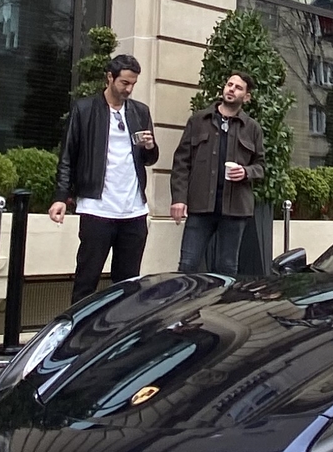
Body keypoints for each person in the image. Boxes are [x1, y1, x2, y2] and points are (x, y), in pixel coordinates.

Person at [48, 53, 157, 302]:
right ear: (110, 77)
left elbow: (150, 160)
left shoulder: (140, 112)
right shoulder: (85, 109)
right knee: (87, 279)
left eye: (133, 84)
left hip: (133, 210)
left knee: (128, 285)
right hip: (97, 208)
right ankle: (77, 335)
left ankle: (120, 334)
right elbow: (67, 155)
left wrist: (150, 146)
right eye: (124, 83)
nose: (129, 89)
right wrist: (60, 197)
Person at [170, 71, 266, 274]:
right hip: (200, 206)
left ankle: (220, 306)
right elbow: (181, 162)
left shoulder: (252, 128)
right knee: (187, 265)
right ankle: (185, 305)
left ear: (246, 97)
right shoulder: (198, 121)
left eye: (238, 87)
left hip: (234, 210)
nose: (231, 89)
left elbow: (261, 166)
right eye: (229, 84)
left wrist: (246, 172)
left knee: (227, 268)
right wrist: (179, 198)